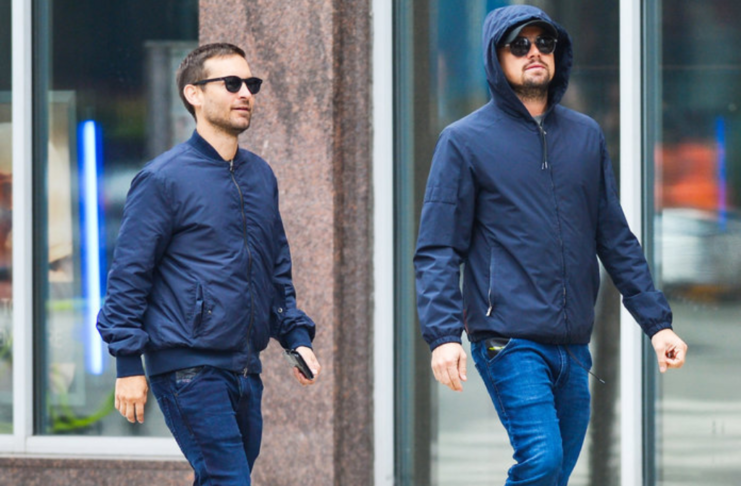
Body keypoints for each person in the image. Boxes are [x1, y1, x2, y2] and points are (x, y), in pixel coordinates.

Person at [414, 5, 687, 485]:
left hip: (573, 346)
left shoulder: (585, 136)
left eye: (544, 43)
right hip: (508, 339)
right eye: (519, 45)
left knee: (555, 472)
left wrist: (657, 325)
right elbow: (438, 249)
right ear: (496, 57)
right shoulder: (463, 141)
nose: (534, 53)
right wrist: (443, 337)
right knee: (541, 459)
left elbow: (615, 237)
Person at [97, 42, 321, 485]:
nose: (246, 94)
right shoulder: (163, 179)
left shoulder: (260, 175)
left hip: (245, 368)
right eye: (232, 83)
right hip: (187, 369)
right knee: (228, 480)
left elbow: (275, 267)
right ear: (194, 94)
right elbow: (129, 276)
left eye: (251, 84)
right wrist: (128, 365)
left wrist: (295, 336)